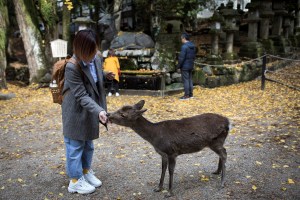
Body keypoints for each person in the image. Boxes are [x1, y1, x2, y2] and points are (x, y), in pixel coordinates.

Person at [62, 29, 115, 194]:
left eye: (95, 49)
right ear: (81, 50)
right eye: (91, 50)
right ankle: (75, 180)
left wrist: (105, 74)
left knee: (88, 144)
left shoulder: (96, 57)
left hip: (92, 107)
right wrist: (99, 110)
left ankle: (85, 171)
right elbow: (81, 96)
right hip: (76, 110)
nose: (95, 53)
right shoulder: (72, 66)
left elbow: (94, 73)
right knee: (75, 145)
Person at [177, 32, 196, 100]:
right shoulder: (193, 46)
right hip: (191, 65)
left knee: (186, 80)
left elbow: (181, 58)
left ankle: (186, 95)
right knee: (190, 79)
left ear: (184, 38)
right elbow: (194, 56)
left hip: (185, 66)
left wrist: (178, 66)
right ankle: (191, 94)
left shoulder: (184, 47)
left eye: (181, 38)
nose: (181, 40)